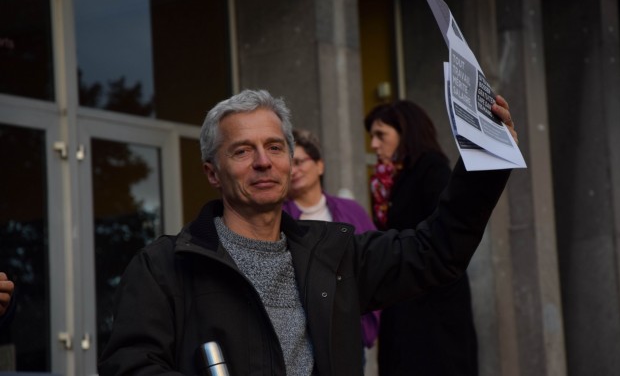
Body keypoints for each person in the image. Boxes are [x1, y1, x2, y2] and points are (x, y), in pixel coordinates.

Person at [98, 89, 515, 375]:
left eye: (276, 147)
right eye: (242, 150)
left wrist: (489, 160)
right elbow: (130, 366)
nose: (263, 161)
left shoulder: (335, 256)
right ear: (212, 172)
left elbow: (436, 251)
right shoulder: (163, 268)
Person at [365, 99, 484, 375]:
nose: (373, 145)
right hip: (403, 301)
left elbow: (447, 234)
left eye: (381, 135)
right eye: (372, 136)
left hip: (434, 309)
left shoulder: (432, 170)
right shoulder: (388, 183)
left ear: (406, 132)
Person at [282, 128, 381, 352]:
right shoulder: (279, 218)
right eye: (289, 166)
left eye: (299, 162)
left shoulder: (351, 211)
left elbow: (374, 263)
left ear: (319, 165)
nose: (294, 171)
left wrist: (369, 319)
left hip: (349, 328)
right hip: (303, 336)